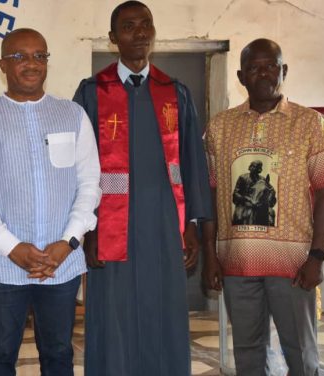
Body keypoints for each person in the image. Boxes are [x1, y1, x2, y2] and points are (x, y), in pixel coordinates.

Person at [73, 1, 212, 375]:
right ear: (113, 38)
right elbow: (77, 168)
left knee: (162, 306)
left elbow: (192, 162)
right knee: (114, 311)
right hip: (110, 225)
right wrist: (88, 229)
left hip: (164, 223)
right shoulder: (91, 92)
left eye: (145, 24)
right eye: (129, 26)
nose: (139, 33)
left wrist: (193, 224)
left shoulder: (175, 92)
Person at [0, 28, 101, 376]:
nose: (32, 64)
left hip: (61, 262)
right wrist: (12, 248)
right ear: (3, 65)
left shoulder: (72, 115)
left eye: (40, 55)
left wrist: (67, 243)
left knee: (58, 355)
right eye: (20, 56)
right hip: (4, 264)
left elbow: (90, 185)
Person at [203, 38, 324, 376]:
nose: (264, 73)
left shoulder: (311, 123)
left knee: (301, 352)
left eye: (271, 66)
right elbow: (211, 195)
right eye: (254, 68)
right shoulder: (220, 127)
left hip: (293, 265)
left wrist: (317, 256)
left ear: (284, 71)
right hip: (237, 263)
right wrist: (212, 254)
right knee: (248, 353)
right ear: (241, 77)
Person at [232, 160, 277, 226]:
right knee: (239, 216)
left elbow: (271, 190)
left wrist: (268, 200)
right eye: (251, 166)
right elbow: (236, 193)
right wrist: (247, 199)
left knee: (270, 214)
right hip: (245, 203)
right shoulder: (243, 178)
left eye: (255, 166)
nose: (252, 168)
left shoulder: (263, 179)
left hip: (259, 204)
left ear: (259, 169)